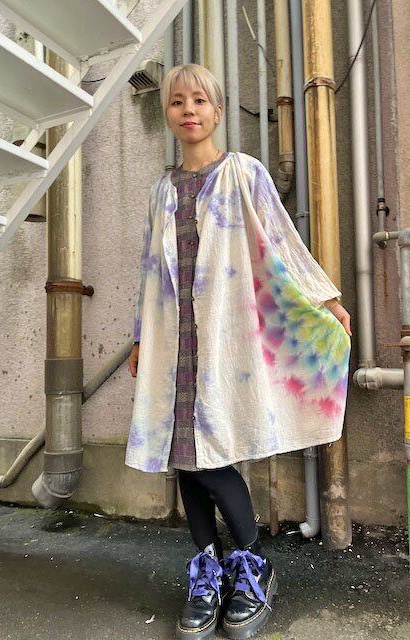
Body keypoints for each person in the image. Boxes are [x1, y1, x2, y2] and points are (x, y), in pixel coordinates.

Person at [127, 63, 351, 640]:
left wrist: (324, 298)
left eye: (200, 100)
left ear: (218, 110)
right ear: (168, 114)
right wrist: (141, 337)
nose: (189, 110)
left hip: (226, 340)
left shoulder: (243, 173)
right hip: (174, 344)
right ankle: (206, 571)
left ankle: (251, 564)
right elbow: (151, 269)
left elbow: (280, 240)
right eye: (178, 101)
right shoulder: (161, 191)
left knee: (215, 454)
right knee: (184, 458)